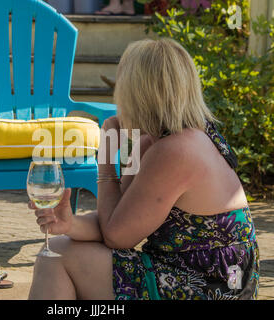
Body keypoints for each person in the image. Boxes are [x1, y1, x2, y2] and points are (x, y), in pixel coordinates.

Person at [27, 38, 260, 300]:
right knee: (60, 247)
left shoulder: (175, 150)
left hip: (212, 287)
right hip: (185, 273)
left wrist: (105, 161)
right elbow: (119, 218)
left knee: (56, 259)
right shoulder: (157, 141)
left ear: (136, 92)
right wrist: (69, 225)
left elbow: (118, 237)